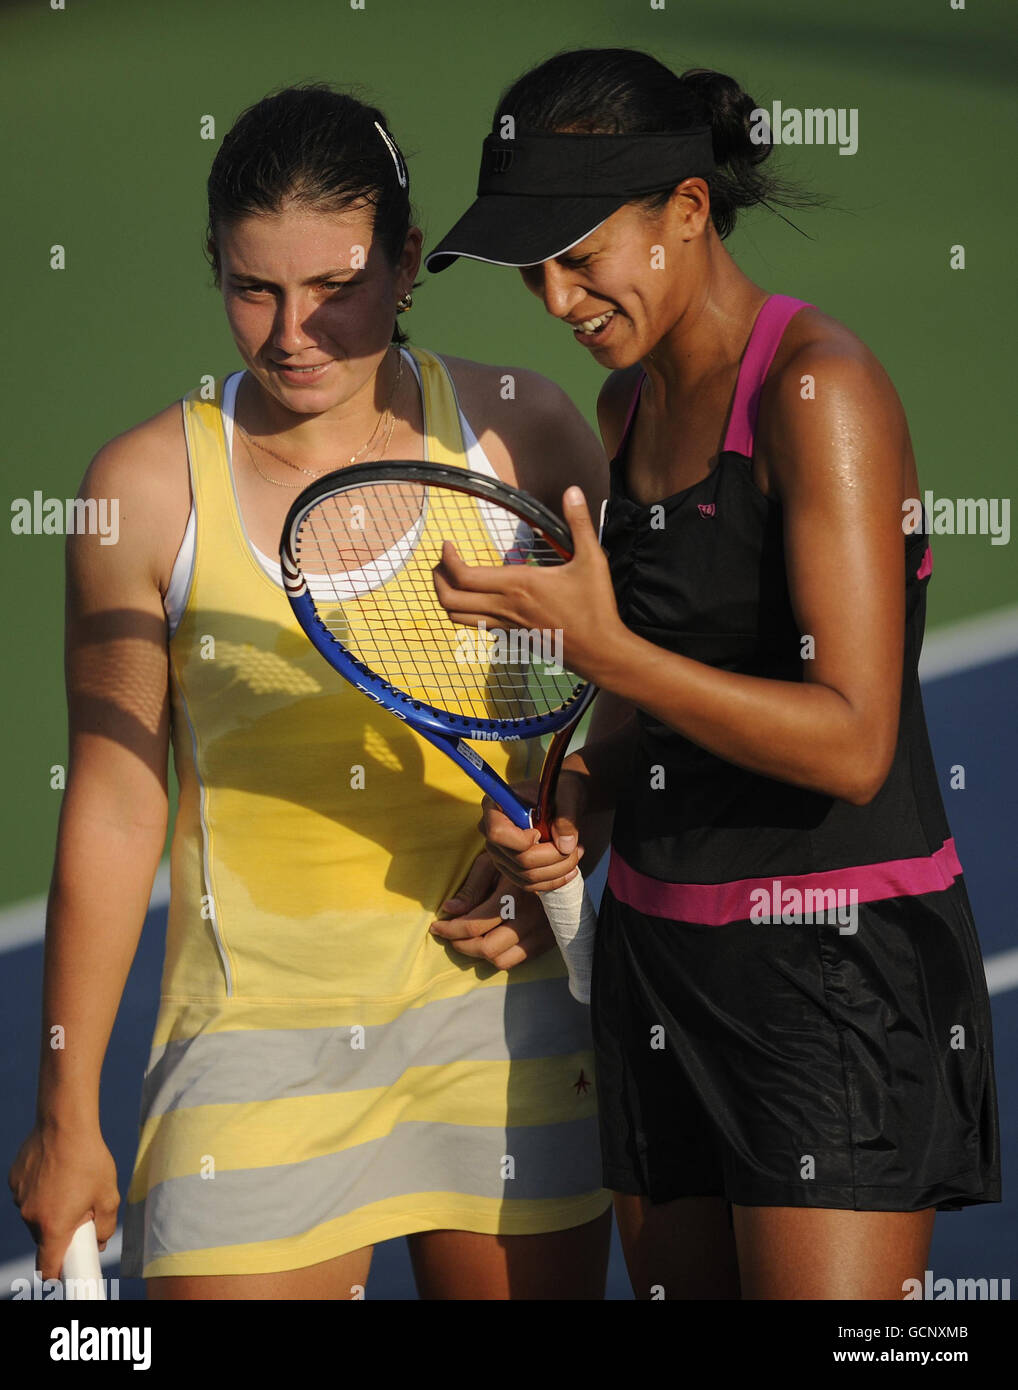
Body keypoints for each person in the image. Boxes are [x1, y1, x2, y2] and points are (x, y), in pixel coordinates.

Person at [8, 84, 614, 1300]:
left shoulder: (520, 435)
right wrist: (67, 1113)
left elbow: (633, 697)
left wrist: (573, 820)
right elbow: (119, 805)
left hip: (505, 1027)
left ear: (403, 262)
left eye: (334, 287)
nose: (293, 332)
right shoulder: (140, 491)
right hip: (248, 1054)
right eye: (254, 288)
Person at [426, 48, 1001, 1300]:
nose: (556, 298)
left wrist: (605, 649)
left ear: (686, 211)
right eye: (534, 268)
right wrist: (575, 794)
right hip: (660, 968)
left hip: (835, 977)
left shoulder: (820, 393)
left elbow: (851, 740)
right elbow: (659, 714)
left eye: (580, 255)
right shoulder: (626, 405)